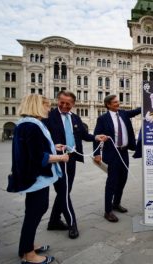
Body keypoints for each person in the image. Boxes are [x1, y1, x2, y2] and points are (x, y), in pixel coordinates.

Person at [7, 94, 69, 264]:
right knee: (35, 212)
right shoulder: (31, 126)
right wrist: (60, 158)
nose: (49, 109)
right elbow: (37, 156)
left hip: (32, 176)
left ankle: (26, 246)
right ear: (37, 106)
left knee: (33, 212)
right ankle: (29, 255)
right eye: (47, 105)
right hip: (35, 177)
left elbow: (34, 148)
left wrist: (53, 147)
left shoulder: (28, 124)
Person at [43, 90, 107, 239]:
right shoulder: (48, 117)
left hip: (71, 159)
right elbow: (43, 139)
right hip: (58, 159)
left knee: (65, 190)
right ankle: (72, 224)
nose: (64, 106)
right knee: (64, 191)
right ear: (57, 101)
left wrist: (97, 137)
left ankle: (53, 221)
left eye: (68, 103)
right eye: (62, 102)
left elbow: (84, 135)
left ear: (73, 104)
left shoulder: (76, 118)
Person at [93, 95, 141, 223]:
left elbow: (136, 111)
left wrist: (150, 102)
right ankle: (108, 211)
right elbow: (96, 136)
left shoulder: (124, 114)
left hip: (124, 152)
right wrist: (97, 153)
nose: (117, 104)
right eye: (115, 102)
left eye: (117, 102)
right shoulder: (103, 119)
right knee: (112, 182)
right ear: (108, 104)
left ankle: (116, 203)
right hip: (112, 154)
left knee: (123, 179)